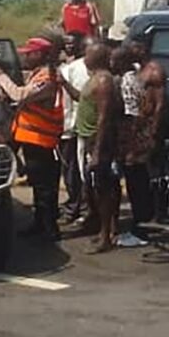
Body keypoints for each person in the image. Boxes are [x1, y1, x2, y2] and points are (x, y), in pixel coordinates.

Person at [0, 37, 64, 240]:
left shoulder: (46, 78)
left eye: (29, 54)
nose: (25, 57)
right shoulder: (38, 74)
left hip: (42, 140)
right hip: (33, 139)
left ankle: (49, 229)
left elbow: (20, 95)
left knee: (44, 188)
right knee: (39, 186)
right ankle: (40, 224)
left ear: (39, 54)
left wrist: (1, 76)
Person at [115, 44, 165, 245]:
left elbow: (159, 105)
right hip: (135, 130)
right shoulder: (138, 71)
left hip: (141, 131)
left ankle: (142, 229)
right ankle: (141, 223)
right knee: (135, 179)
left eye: (136, 46)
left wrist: (151, 132)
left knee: (139, 180)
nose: (132, 49)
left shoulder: (154, 70)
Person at [75, 43, 120, 253]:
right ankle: (105, 230)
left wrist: (97, 151)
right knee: (96, 187)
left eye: (87, 54)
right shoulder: (93, 78)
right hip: (89, 138)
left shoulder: (103, 81)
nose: (84, 57)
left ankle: (105, 236)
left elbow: (104, 118)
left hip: (98, 140)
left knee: (103, 188)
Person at [57, 32, 92, 224]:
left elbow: (75, 99)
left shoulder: (73, 70)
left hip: (80, 128)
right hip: (72, 126)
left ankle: (78, 207)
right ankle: (77, 205)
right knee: (73, 170)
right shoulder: (72, 69)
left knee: (78, 170)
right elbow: (66, 102)